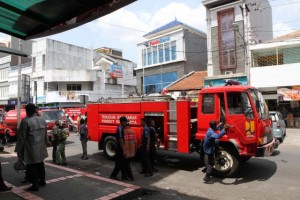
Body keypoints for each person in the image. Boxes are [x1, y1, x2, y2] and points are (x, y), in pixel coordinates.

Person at [15, 103, 51, 191]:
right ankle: (42, 181)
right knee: (40, 164)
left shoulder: (26, 121)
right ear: (35, 110)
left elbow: (21, 137)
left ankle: (35, 185)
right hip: (41, 147)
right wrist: (47, 142)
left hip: (30, 148)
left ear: (27, 111)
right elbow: (45, 134)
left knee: (31, 166)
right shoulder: (42, 120)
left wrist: (18, 150)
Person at [110, 116, 130, 181]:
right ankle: (114, 175)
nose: (126, 122)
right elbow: (121, 140)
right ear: (122, 122)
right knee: (121, 163)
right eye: (125, 121)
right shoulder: (120, 129)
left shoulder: (121, 127)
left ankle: (123, 176)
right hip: (120, 148)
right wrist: (123, 150)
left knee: (122, 163)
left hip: (120, 148)